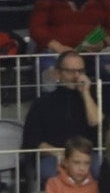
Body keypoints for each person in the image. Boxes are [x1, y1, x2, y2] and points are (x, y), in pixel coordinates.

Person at [20, 52, 101, 185]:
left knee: (99, 168)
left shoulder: (93, 99)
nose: (76, 76)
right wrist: (62, 154)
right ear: (57, 73)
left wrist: (86, 93)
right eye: (70, 71)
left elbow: (96, 123)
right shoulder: (42, 103)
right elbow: (32, 140)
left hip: (87, 155)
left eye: (80, 71)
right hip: (55, 156)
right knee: (51, 172)